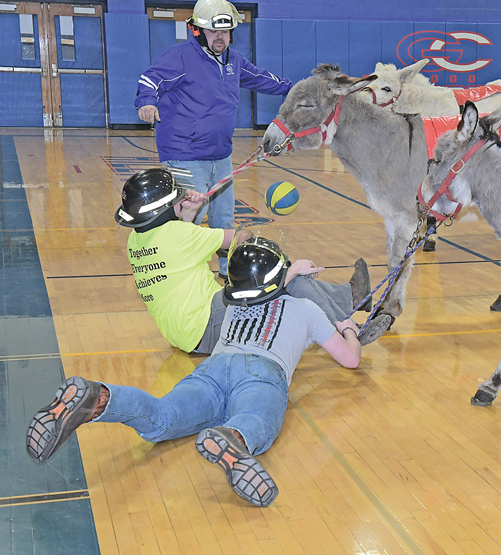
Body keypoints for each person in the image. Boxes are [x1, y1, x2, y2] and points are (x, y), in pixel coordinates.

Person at [26, 235, 362, 507]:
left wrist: (289, 273)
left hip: (214, 368)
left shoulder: (233, 303)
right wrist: (347, 329)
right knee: (257, 418)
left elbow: (263, 288)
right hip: (263, 373)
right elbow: (350, 359)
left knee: (163, 417)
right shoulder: (308, 309)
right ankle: (233, 438)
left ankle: (100, 399)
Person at [116, 167, 391, 354]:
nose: (182, 200)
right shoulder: (182, 236)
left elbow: (180, 245)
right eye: (177, 200)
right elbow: (241, 237)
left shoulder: (136, 240)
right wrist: (282, 268)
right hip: (209, 327)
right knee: (279, 269)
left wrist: (188, 212)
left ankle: (351, 297)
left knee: (281, 278)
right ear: (165, 210)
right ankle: (345, 327)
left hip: (186, 334)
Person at [135, 0, 293, 278]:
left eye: (225, 31)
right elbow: (151, 79)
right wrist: (147, 101)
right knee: (189, 220)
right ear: (198, 31)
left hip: (220, 156)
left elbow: (262, 78)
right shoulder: (180, 56)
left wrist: (297, 90)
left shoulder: (234, 60)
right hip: (184, 156)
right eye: (213, 31)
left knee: (224, 220)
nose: (220, 37)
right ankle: (182, 273)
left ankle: (229, 273)